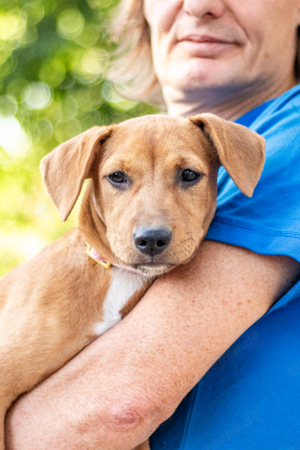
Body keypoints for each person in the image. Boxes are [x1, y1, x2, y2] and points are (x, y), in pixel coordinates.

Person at [5, 1, 300, 449]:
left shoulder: (282, 145)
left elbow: (123, 407)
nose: (201, 5)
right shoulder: (65, 277)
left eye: (188, 177)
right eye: (119, 179)